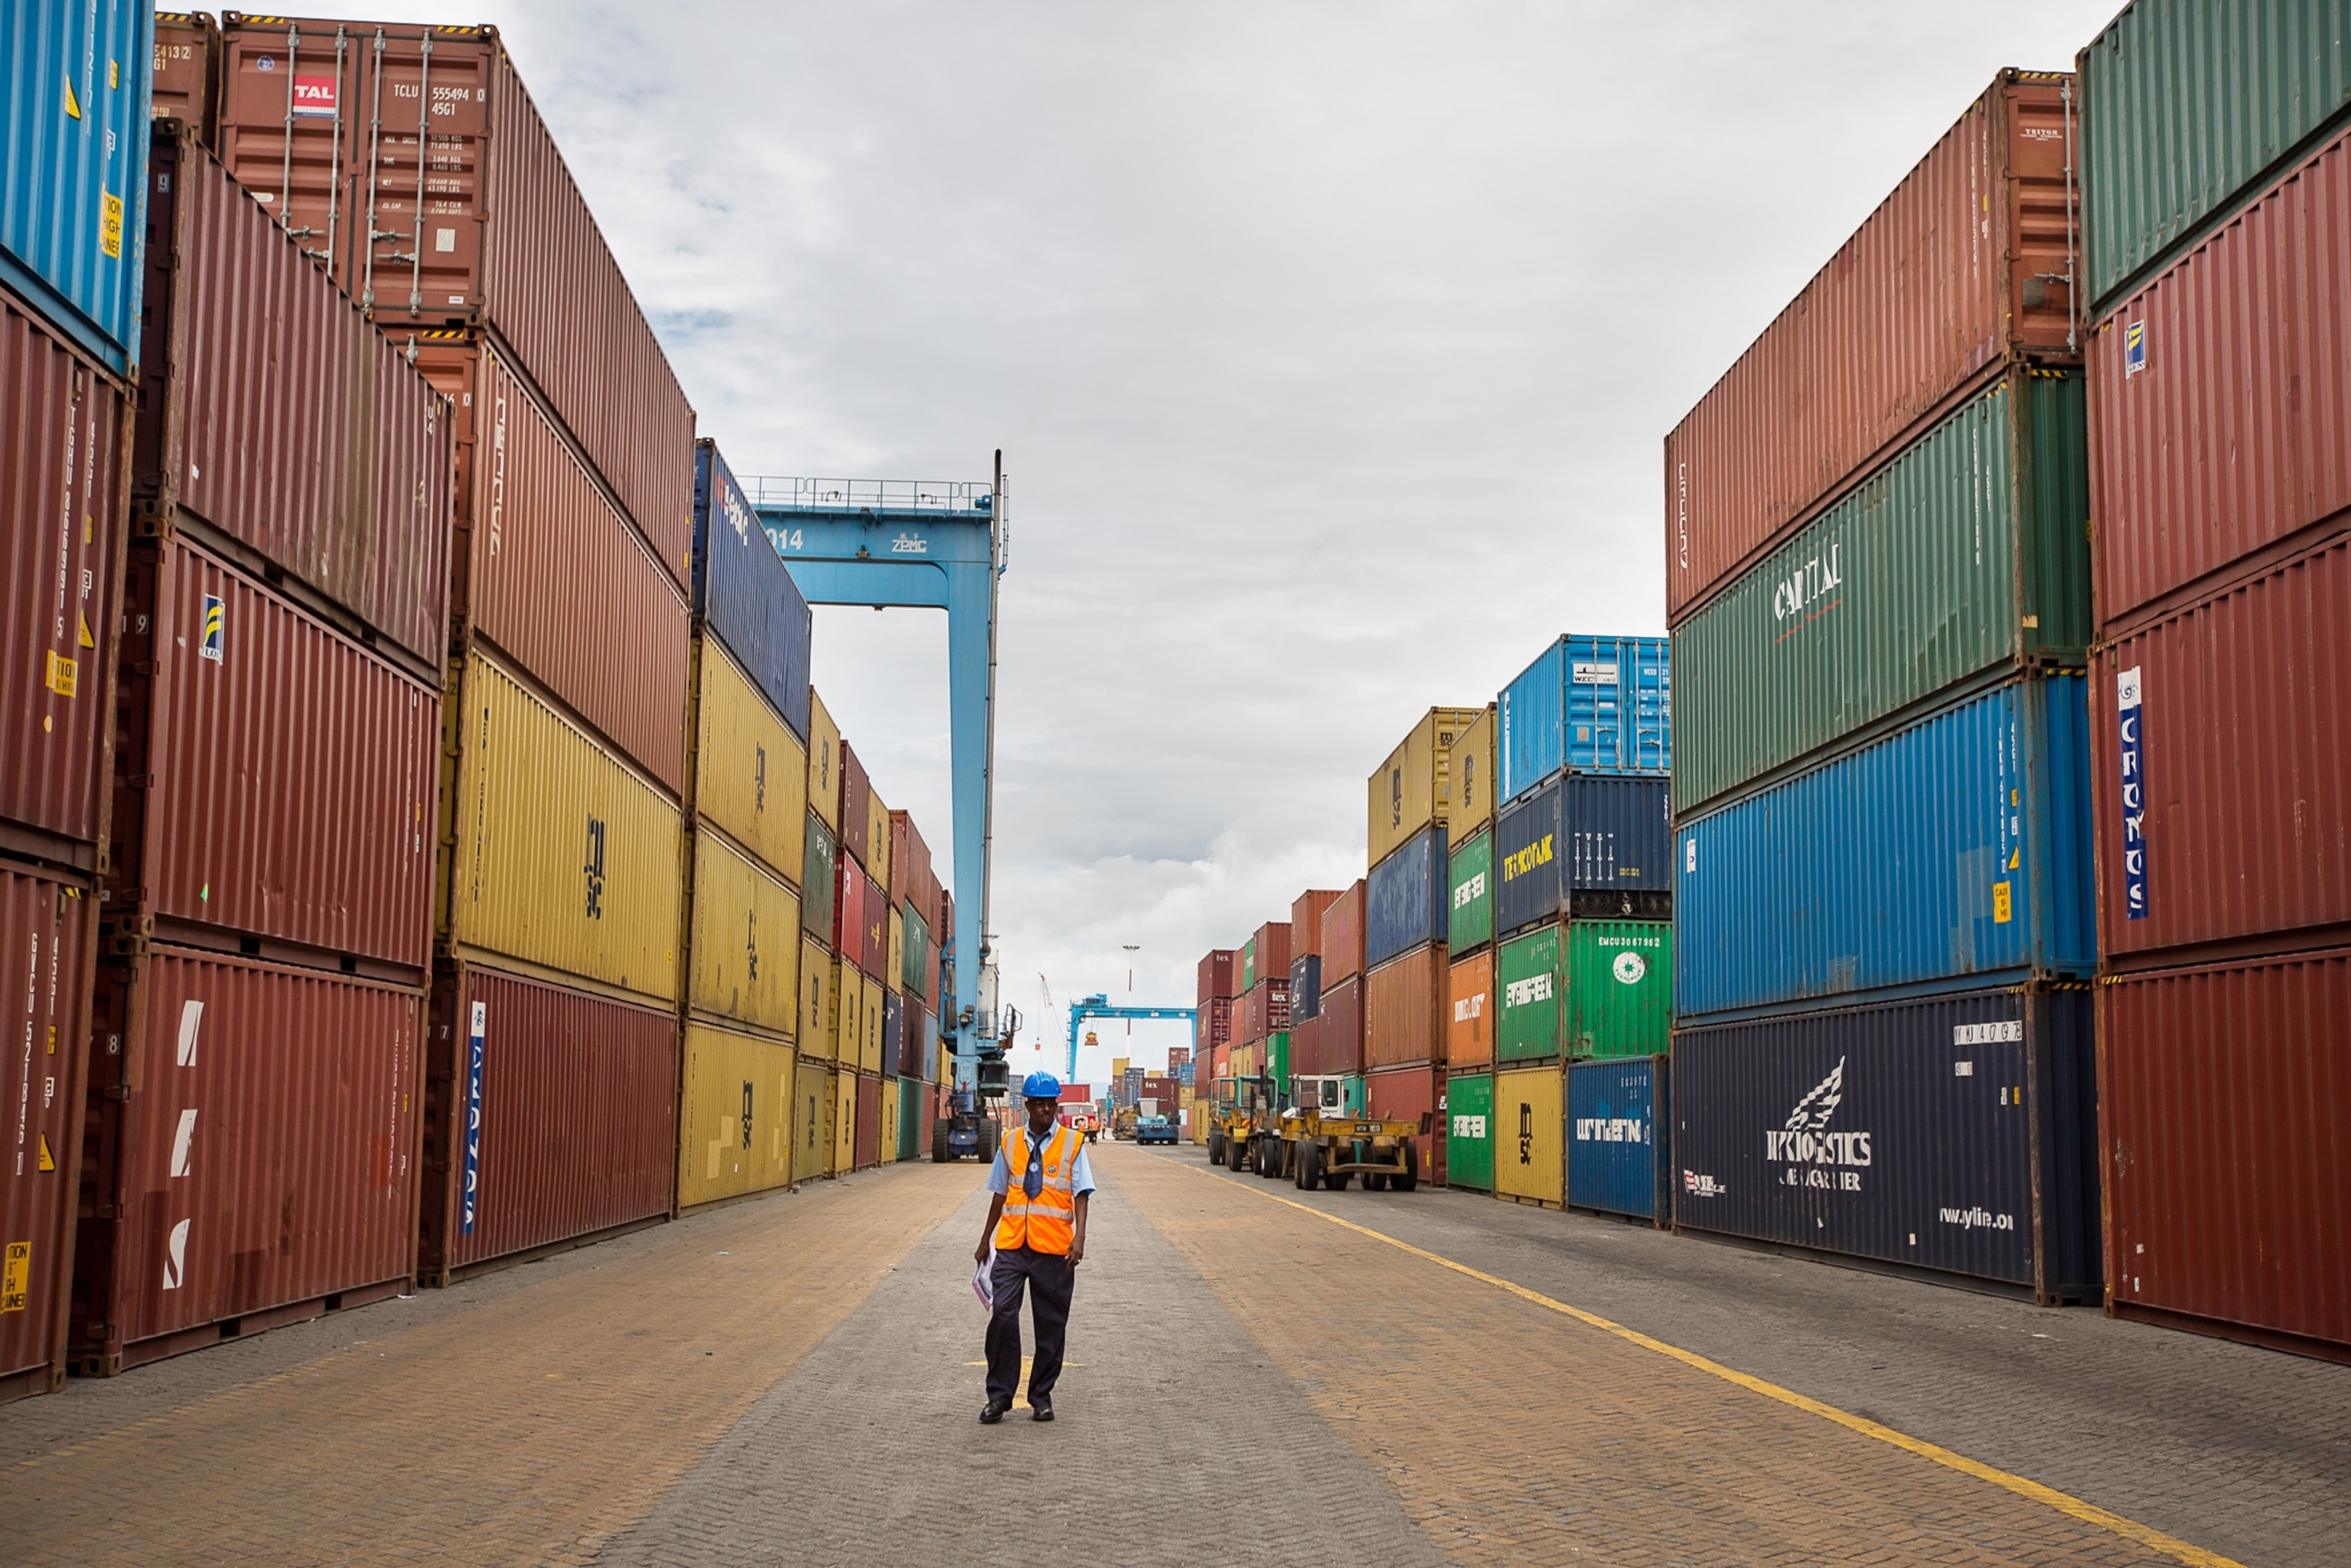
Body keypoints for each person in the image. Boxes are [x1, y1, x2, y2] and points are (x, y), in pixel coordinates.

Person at [976, 1071, 1094, 1424]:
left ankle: (1041, 1396)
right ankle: (999, 1397)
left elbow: (1082, 1193)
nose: (1046, 1110)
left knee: (1050, 1325)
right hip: (1013, 1245)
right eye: (1039, 1104)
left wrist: (1080, 1237)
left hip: (1055, 1249)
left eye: (1050, 1104)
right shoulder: (1010, 1142)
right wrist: (985, 1240)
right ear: (1026, 1105)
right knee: (1003, 1317)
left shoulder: (1073, 1143)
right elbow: (1000, 1192)